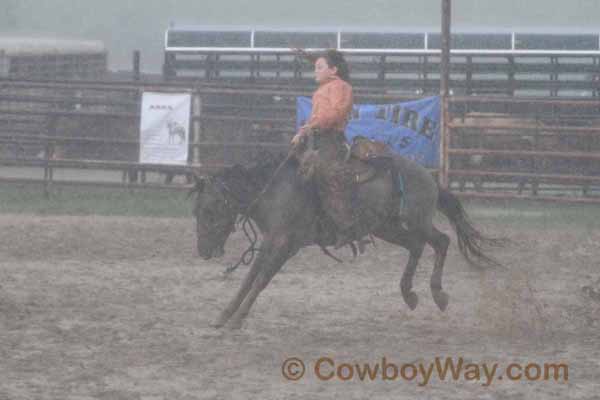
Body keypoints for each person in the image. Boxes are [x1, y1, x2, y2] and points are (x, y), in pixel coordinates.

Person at [291, 49, 359, 249]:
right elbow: (317, 118)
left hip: (331, 141)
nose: (315, 71)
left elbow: (336, 114)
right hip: (316, 138)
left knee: (328, 173)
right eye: (315, 67)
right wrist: (304, 132)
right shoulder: (324, 89)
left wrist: (309, 128)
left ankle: (347, 225)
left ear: (333, 70)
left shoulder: (341, 87)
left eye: (320, 67)